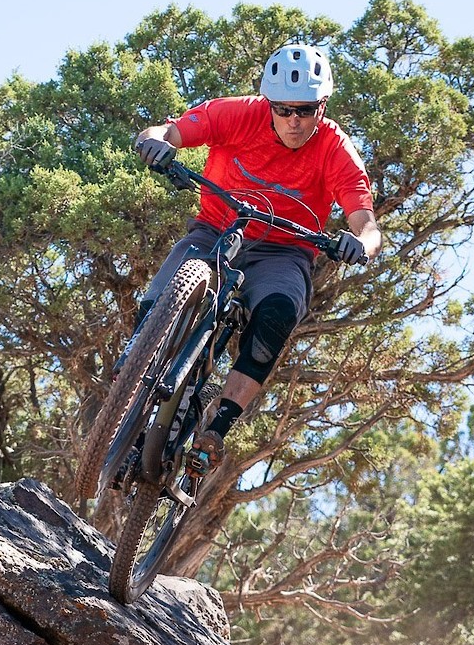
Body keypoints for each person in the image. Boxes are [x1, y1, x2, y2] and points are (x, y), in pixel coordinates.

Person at [130, 42, 382, 475]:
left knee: (278, 312)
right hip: (216, 229)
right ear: (268, 102)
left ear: (322, 106)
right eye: (283, 109)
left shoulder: (334, 148)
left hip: (283, 251)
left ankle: (217, 428)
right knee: (159, 300)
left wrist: (360, 243)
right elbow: (163, 131)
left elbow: (367, 223)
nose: (295, 121)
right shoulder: (235, 114)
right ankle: (131, 381)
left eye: (306, 110)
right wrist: (154, 144)